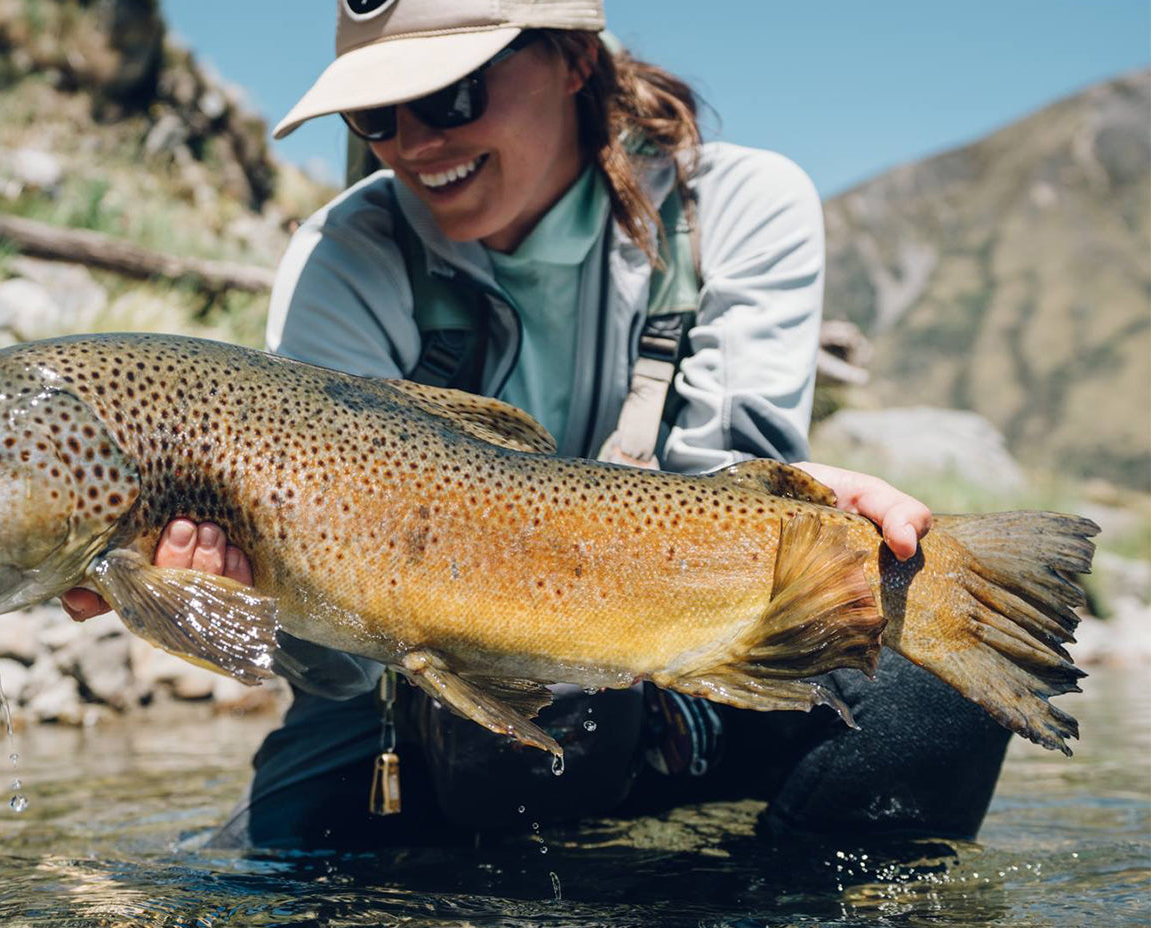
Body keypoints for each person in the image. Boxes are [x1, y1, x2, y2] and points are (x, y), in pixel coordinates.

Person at [64, 0, 1011, 849]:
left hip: (678, 647)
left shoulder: (741, 206)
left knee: (935, 676)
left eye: (454, 95)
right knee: (285, 866)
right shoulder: (340, 261)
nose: (415, 142)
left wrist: (805, 510)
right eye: (375, 116)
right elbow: (334, 671)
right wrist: (225, 612)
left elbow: (729, 495)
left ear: (571, 60)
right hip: (421, 693)